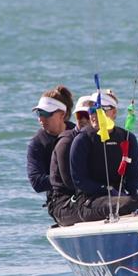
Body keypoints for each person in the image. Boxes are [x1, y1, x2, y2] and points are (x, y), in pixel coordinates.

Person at [69, 89, 138, 222]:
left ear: (114, 112)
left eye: (100, 109)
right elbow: (79, 180)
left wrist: (137, 195)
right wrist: (107, 190)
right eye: (92, 110)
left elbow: (133, 176)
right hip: (89, 201)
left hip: (121, 198)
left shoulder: (127, 138)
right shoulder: (82, 140)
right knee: (129, 204)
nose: (94, 114)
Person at [48, 95, 93, 226]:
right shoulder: (66, 142)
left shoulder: (97, 139)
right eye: (79, 116)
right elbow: (70, 182)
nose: (83, 120)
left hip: (88, 197)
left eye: (87, 115)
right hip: (65, 203)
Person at [26, 85, 75, 205]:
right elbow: (37, 182)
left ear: (62, 114)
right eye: (39, 113)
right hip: (59, 200)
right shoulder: (37, 143)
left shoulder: (78, 134)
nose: (41, 119)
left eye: (46, 114)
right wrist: (70, 177)